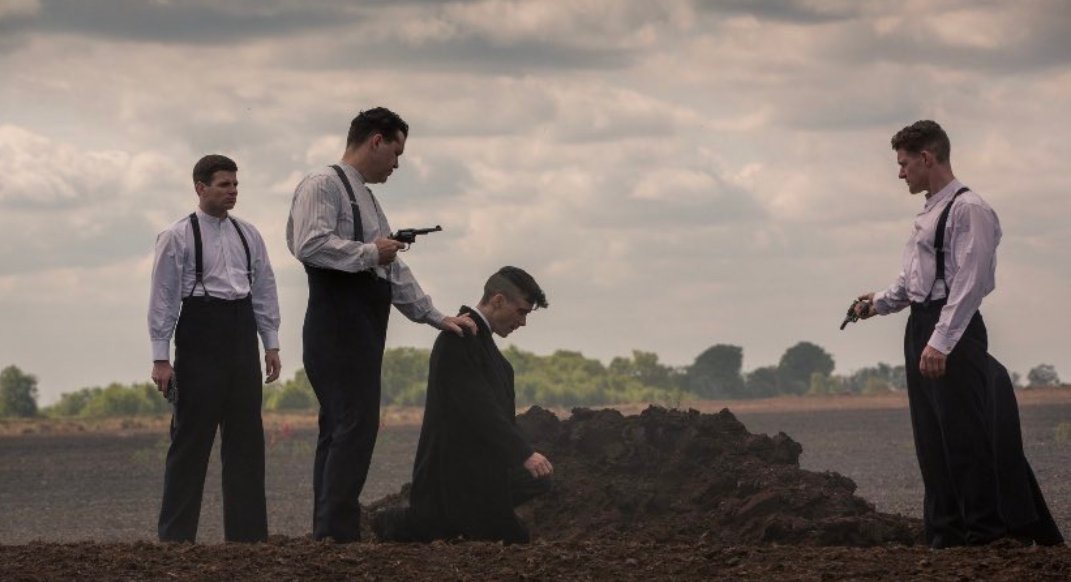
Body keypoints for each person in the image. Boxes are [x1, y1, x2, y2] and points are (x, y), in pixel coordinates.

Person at [853, 120, 1063, 549]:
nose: (900, 173)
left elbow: (969, 283)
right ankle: (945, 536)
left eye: (904, 163)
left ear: (926, 158)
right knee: (931, 439)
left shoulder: (970, 210)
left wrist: (941, 341)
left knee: (965, 437)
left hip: (952, 330)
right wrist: (876, 303)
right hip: (923, 326)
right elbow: (915, 283)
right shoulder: (930, 211)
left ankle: (985, 535)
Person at [286, 107, 478, 543]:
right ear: (375, 140)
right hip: (336, 323)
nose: (397, 163)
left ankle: (330, 531)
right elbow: (310, 244)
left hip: (361, 325)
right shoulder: (322, 185)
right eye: (396, 152)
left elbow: (394, 272)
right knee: (354, 424)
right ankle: (336, 531)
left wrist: (434, 315)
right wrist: (371, 253)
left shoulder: (367, 199)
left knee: (342, 426)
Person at [149, 154, 282, 543]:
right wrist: (161, 358)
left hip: (241, 335)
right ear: (200, 187)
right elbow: (164, 298)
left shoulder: (249, 234)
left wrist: (270, 343)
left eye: (236, 185)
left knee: (246, 441)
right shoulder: (177, 236)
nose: (233, 192)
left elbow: (265, 288)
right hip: (199, 335)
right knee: (191, 441)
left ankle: (248, 538)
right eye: (224, 184)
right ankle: (176, 539)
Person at [373, 266, 554, 544]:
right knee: (513, 539)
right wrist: (523, 452)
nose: (523, 323)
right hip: (452, 475)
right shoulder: (456, 340)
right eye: (521, 312)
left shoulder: (490, 353)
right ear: (498, 300)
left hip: (482, 471)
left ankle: (449, 518)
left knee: (540, 479)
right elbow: (478, 407)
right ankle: (397, 522)